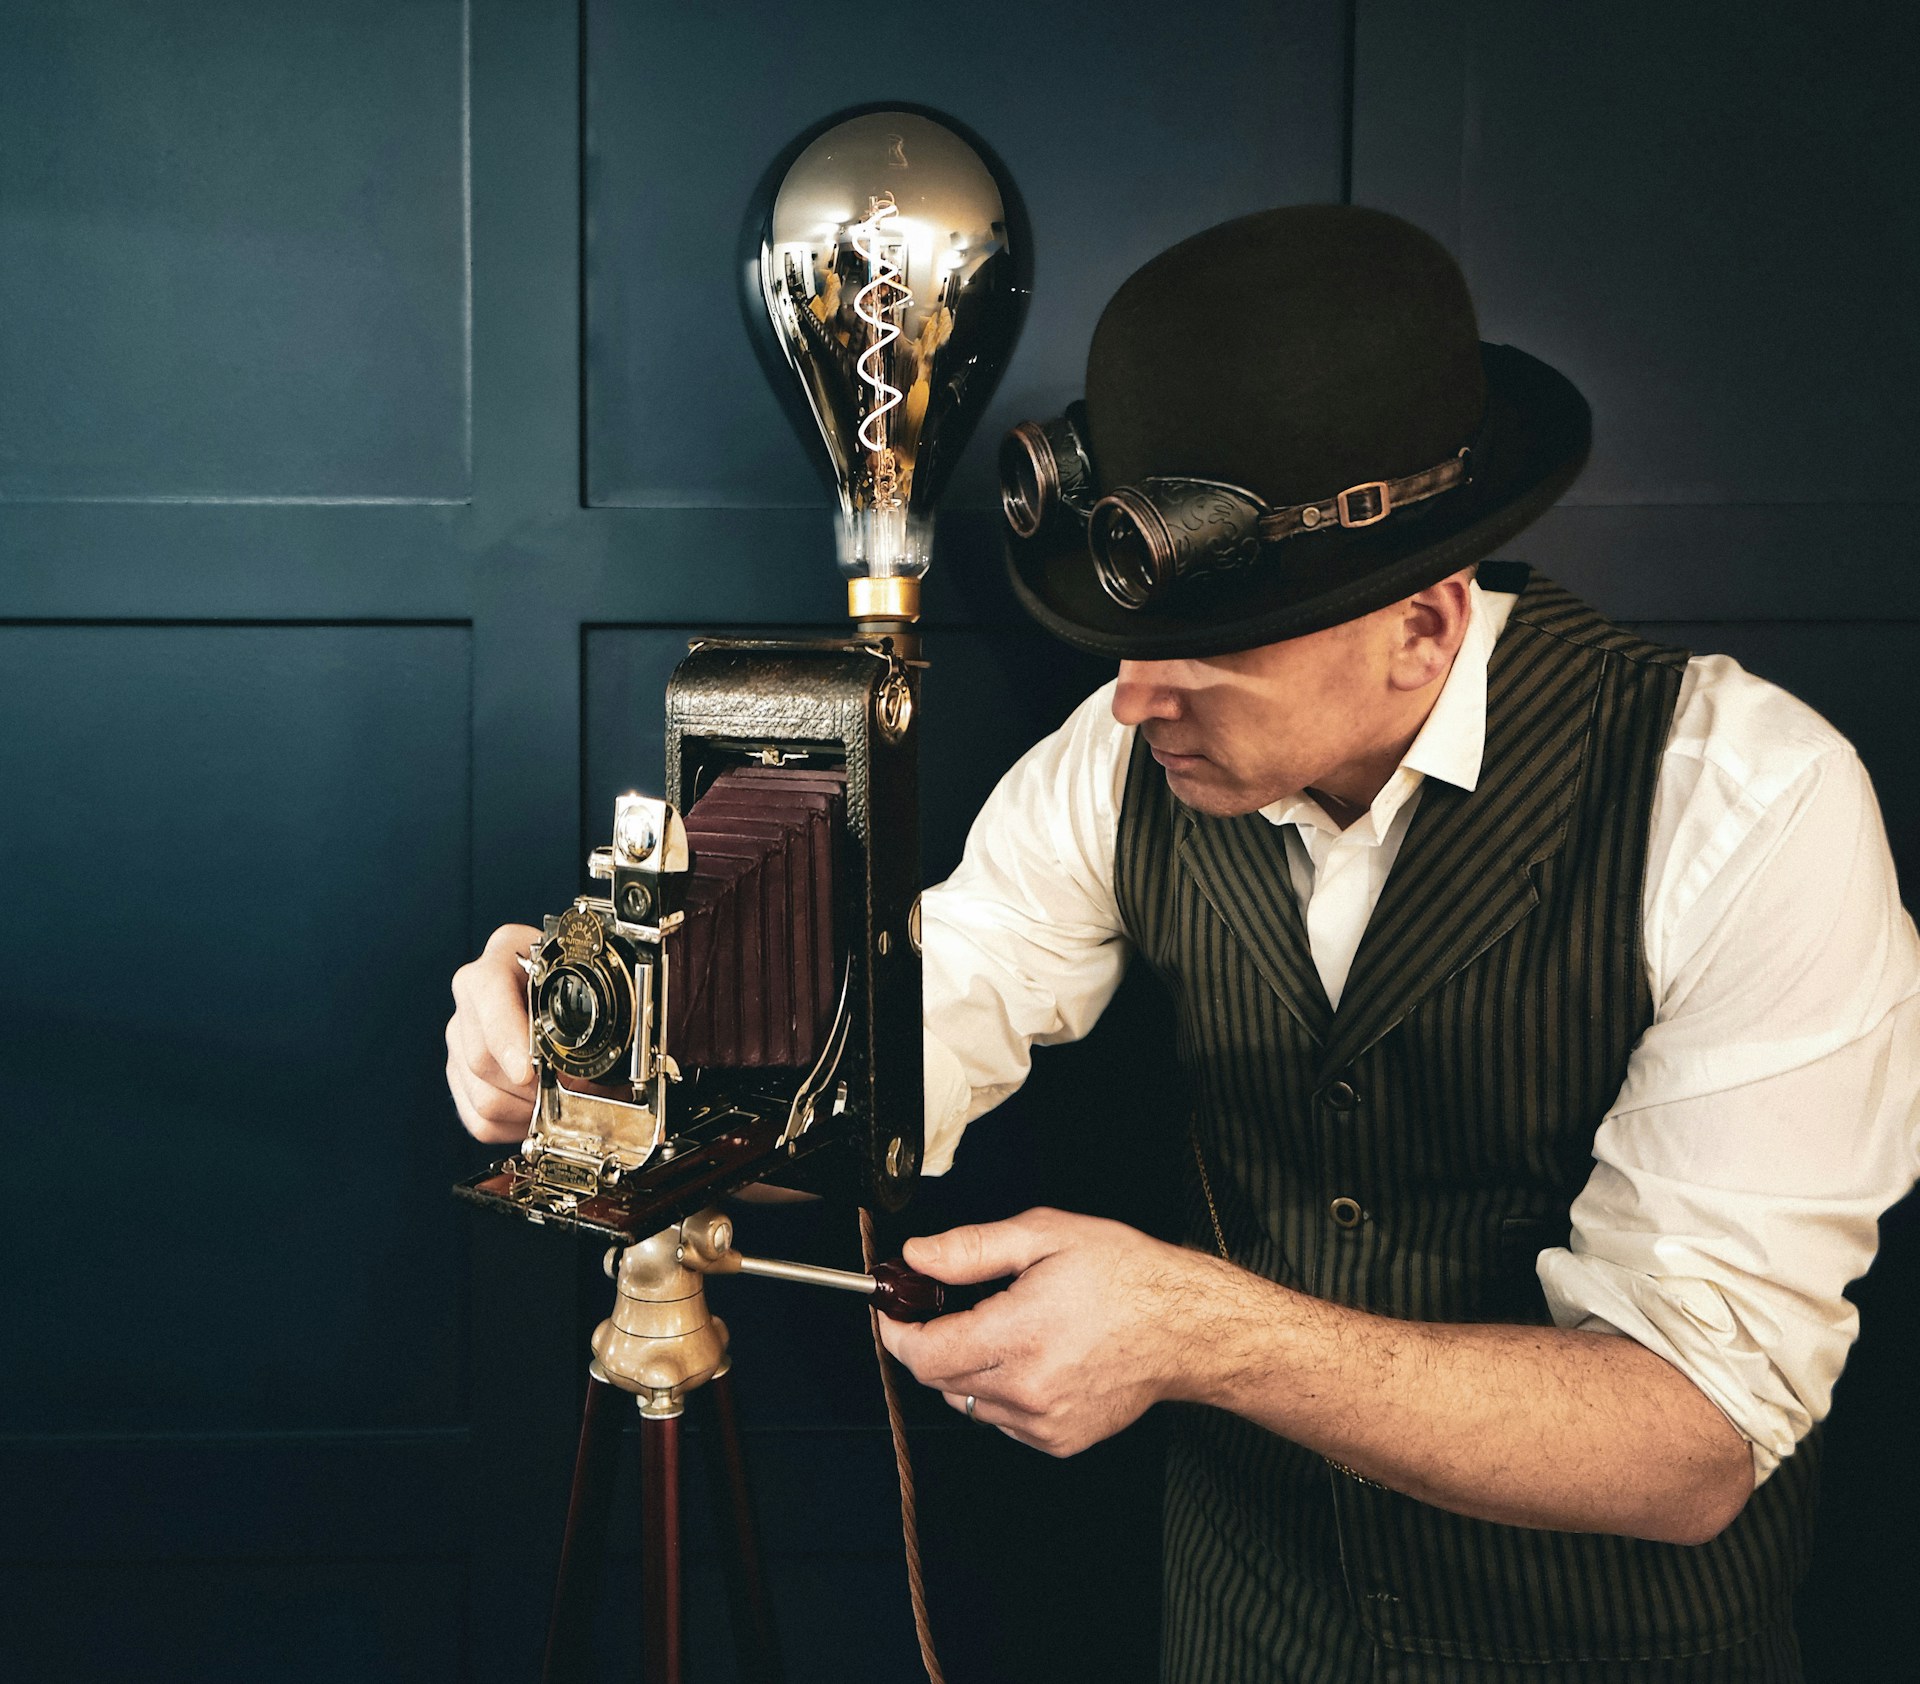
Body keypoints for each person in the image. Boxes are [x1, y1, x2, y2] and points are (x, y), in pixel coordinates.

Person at [447, 206, 1920, 1680]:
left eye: (1212, 651)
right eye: (1122, 634)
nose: (1136, 697)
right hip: (1247, 1631)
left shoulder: (1747, 805)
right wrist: (617, 1042)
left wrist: (1201, 1332)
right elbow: (906, 1025)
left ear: (1422, 621)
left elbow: (1695, 1439)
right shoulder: (1121, 754)